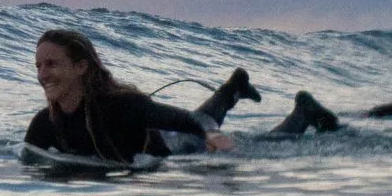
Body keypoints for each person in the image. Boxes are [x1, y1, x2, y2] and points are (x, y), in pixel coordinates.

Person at [26, 29, 244, 161]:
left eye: (51, 64)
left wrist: (212, 136)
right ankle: (233, 88)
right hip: (161, 137)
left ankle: (233, 89)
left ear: (81, 66)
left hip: (173, 151)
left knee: (198, 129)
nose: (42, 74)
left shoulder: (122, 105)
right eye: (38, 66)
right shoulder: (44, 123)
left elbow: (187, 120)